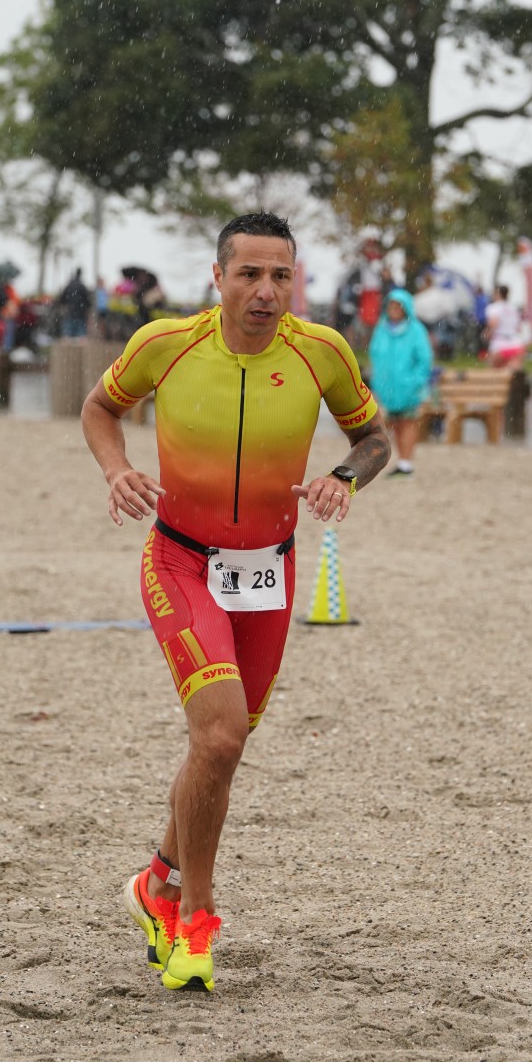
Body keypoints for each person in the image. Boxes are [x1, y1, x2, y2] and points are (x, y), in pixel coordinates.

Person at [81, 212, 391, 992]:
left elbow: (375, 439)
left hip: (268, 573)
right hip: (180, 561)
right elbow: (99, 408)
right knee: (219, 735)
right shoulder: (166, 344)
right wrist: (117, 469)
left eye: (280, 275)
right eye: (249, 273)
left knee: (221, 746)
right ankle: (195, 917)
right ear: (217, 277)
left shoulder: (322, 352)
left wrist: (343, 477)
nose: (265, 290)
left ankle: (155, 881)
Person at [368, 289, 434, 477]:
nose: (394, 309)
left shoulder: (416, 330)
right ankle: (400, 461)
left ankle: (406, 463)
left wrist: (415, 381)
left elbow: (424, 359)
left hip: (409, 388)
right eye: (391, 305)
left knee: (407, 423)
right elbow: (375, 354)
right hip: (386, 388)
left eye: (398, 306)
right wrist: (377, 381)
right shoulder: (382, 328)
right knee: (394, 424)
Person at [484, 284, 527, 368]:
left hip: (499, 343)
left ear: (498, 294)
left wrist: (486, 334)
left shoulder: (493, 308)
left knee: (494, 371)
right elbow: (519, 328)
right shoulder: (513, 308)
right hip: (515, 343)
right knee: (513, 372)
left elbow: (493, 323)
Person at [58, 267, 92, 338]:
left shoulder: (69, 286)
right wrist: (88, 309)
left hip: (69, 313)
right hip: (80, 314)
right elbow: (87, 300)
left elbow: (62, 299)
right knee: (80, 337)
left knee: (67, 336)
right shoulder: (82, 286)